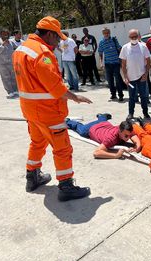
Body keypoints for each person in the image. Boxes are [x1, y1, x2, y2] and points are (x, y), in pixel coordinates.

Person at [12, 16, 93, 201]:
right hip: (48, 112)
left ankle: (32, 177)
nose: (58, 42)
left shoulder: (21, 49)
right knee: (62, 148)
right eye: (57, 38)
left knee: (37, 143)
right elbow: (55, 87)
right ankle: (66, 186)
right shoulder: (41, 53)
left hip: (30, 111)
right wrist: (75, 97)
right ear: (49, 34)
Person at [66, 113, 141, 159]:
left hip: (105, 124)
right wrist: (116, 155)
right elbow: (96, 153)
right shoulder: (111, 138)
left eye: (129, 135)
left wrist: (136, 149)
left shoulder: (126, 129)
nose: (128, 138)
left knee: (102, 121)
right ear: (119, 131)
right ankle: (68, 121)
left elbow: (137, 142)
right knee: (81, 130)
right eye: (126, 136)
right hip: (93, 129)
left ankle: (102, 116)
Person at [120, 29, 151, 120]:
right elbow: (123, 64)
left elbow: (148, 61)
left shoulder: (143, 46)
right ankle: (131, 113)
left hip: (142, 76)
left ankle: (145, 113)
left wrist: (146, 74)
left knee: (144, 96)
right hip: (130, 78)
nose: (134, 38)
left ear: (138, 36)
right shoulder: (125, 48)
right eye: (132, 37)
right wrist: (125, 77)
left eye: (135, 36)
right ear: (129, 37)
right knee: (132, 97)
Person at [98, 27, 124, 101]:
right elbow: (100, 53)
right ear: (103, 34)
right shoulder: (101, 42)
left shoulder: (114, 40)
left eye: (107, 33)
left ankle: (120, 95)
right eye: (104, 33)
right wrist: (101, 62)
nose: (106, 34)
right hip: (107, 64)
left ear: (109, 33)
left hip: (116, 63)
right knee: (110, 80)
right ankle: (113, 94)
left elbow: (119, 49)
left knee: (118, 80)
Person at [0, 29, 19, 98]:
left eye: (7, 34)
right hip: (3, 63)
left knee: (13, 77)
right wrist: (3, 45)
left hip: (11, 62)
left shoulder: (11, 41)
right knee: (6, 78)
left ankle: (15, 90)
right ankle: (10, 91)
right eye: (4, 34)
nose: (5, 35)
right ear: (1, 34)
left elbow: (17, 48)